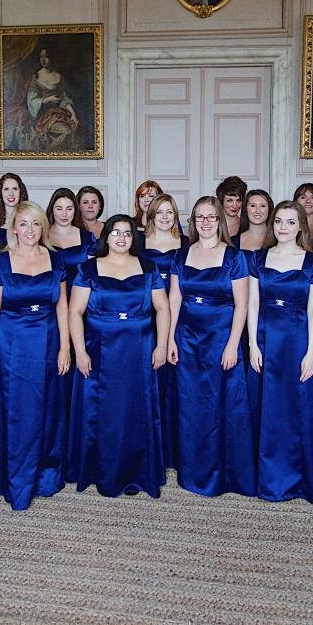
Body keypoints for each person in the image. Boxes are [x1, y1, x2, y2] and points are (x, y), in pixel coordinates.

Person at [68, 215, 169, 497]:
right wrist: (80, 351)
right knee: (103, 412)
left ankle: (136, 472)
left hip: (139, 349)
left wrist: (161, 345)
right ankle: (100, 470)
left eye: (127, 233)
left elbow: (162, 308)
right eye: (116, 233)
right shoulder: (88, 268)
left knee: (136, 411)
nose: (122, 238)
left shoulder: (148, 267)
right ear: (107, 237)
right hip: (100, 349)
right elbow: (75, 311)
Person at [0, 201, 70, 510]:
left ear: (43, 227)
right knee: (16, 410)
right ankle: (15, 480)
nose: (29, 230)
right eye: (23, 224)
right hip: (11, 344)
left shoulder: (56, 261)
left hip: (48, 341)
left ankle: (44, 476)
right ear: (14, 228)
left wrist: (65, 347)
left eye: (35, 224)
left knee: (46, 408)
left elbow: (63, 308)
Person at [167, 196, 255, 496]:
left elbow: (242, 305)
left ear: (220, 221)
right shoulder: (181, 255)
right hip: (188, 338)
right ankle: (192, 469)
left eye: (210, 217)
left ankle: (222, 472)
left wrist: (232, 345)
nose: (205, 222)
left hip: (220, 338)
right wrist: (169, 339)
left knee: (221, 404)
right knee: (191, 405)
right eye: (199, 217)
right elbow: (174, 299)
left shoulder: (234, 257)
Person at [247, 201, 313, 504]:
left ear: (300, 227)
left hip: (298, 342)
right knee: (266, 407)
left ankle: (300, 479)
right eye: (279, 221)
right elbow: (252, 304)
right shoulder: (258, 258)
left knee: (299, 409)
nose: (283, 227)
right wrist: (253, 344)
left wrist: (311, 353)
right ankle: (268, 478)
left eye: (290, 222)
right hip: (266, 339)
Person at [139, 194, 188, 468]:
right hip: (148, 315)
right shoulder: (139, 244)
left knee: (176, 383)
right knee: (151, 381)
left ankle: (174, 448)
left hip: (181, 316)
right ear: (151, 216)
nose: (165, 217)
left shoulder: (186, 244)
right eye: (160, 212)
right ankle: (152, 446)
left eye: (170, 212)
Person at [26, 48, 79, 151]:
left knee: (73, 129)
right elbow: (31, 100)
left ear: (52, 57)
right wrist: (47, 99)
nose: (43, 59)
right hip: (43, 116)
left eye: (46, 56)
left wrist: (73, 114)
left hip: (59, 113)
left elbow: (64, 98)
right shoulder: (36, 77)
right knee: (67, 131)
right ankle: (49, 153)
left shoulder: (59, 77)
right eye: (41, 57)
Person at [46, 188, 95, 296]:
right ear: (52, 209)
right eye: (59, 209)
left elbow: (93, 274)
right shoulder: (41, 236)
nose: (64, 214)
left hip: (80, 297)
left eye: (69, 209)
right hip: (48, 298)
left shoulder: (87, 237)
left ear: (75, 210)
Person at [0, 173, 29, 246]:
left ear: (20, 192)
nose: (11, 193)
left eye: (15, 189)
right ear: (0, 193)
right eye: (6, 189)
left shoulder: (31, 219)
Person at [215, 175, 247, 240]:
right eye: (229, 200)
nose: (235, 206)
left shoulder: (246, 225)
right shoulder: (211, 223)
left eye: (238, 200)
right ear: (221, 200)